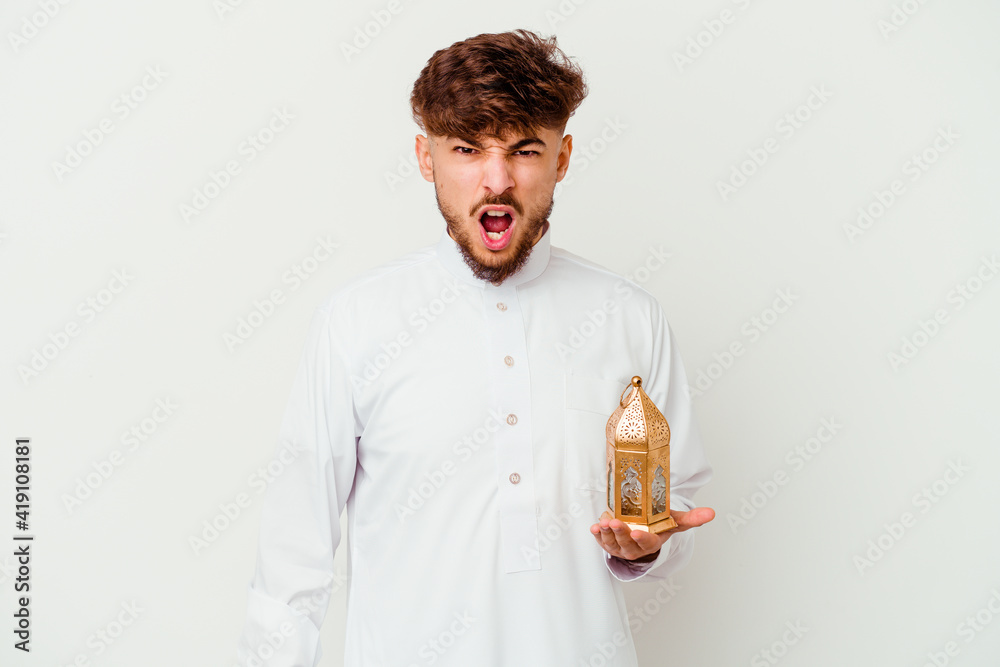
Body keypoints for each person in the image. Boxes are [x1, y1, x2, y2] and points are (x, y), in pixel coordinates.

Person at [235, 28, 714, 667]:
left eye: (523, 150)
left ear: (562, 158)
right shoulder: (355, 323)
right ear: (426, 157)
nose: (496, 181)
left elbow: (675, 505)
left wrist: (649, 545)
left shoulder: (628, 318)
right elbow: (291, 565)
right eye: (467, 149)